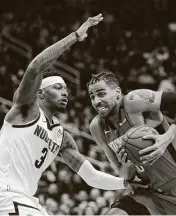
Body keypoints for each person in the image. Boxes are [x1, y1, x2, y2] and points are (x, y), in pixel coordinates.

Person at [0, 15, 135, 215]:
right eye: (57, 87)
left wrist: (126, 183)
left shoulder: (62, 137)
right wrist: (75, 36)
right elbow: (36, 66)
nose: (65, 92)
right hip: (7, 195)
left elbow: (92, 177)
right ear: (40, 93)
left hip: (27, 199)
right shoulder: (25, 110)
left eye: (65, 88)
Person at [88, 71, 176, 215]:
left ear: (117, 92)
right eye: (92, 97)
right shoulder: (97, 127)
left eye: (101, 94)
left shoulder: (134, 101)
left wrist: (167, 137)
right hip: (149, 194)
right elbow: (124, 174)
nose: (96, 101)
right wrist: (128, 166)